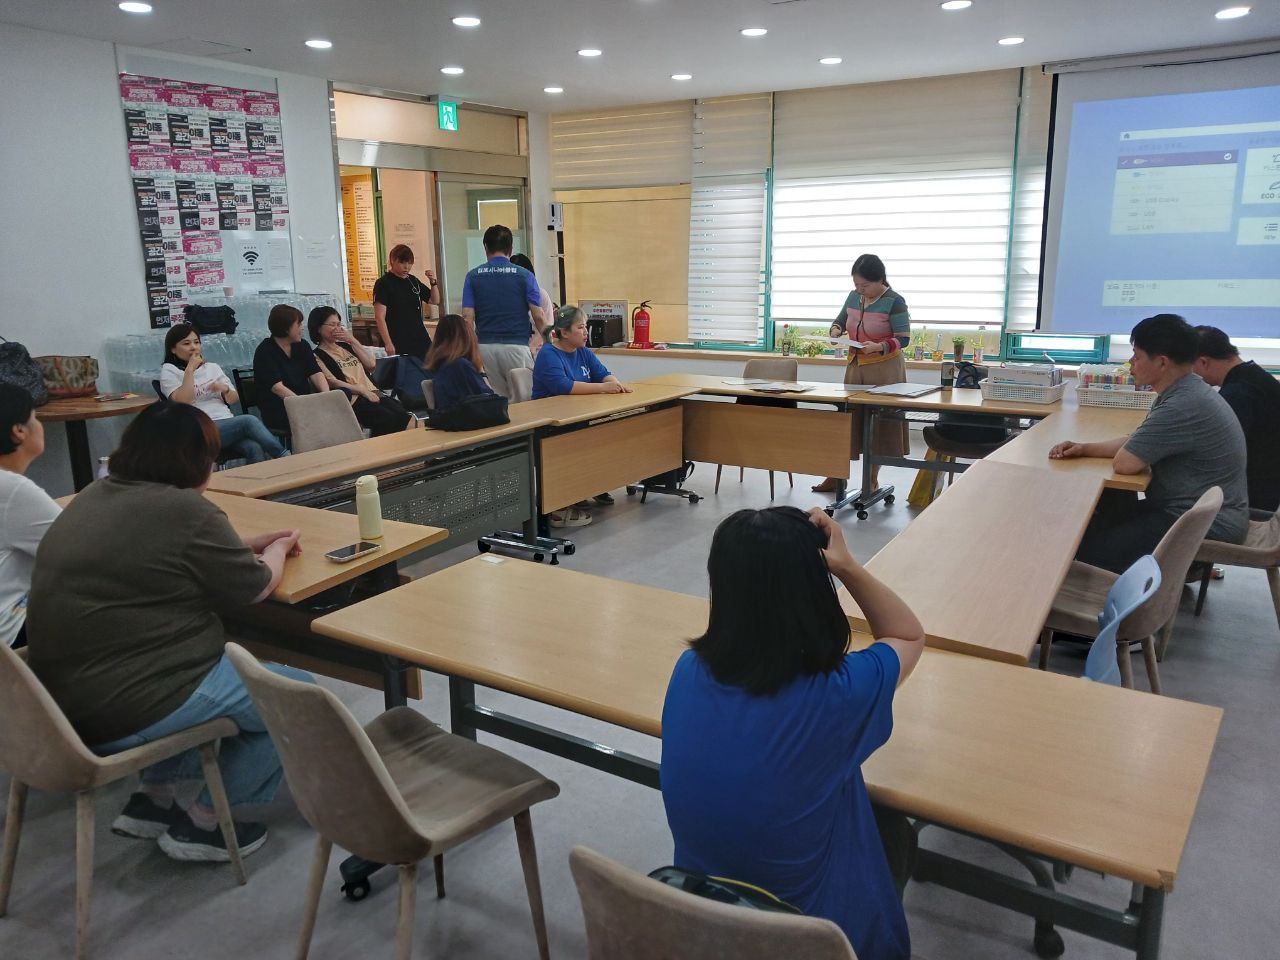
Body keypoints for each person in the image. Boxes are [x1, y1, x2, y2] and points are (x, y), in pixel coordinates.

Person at [26, 402, 311, 862]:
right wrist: (276, 548)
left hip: (57, 708)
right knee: (293, 694)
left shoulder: (94, 496)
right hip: (126, 707)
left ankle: (153, 799)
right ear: (196, 461)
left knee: (179, 669)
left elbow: (150, 548)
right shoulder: (185, 509)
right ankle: (209, 825)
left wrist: (242, 545)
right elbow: (256, 587)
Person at [662, 506, 925, 960]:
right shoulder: (837, 693)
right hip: (805, 940)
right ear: (812, 592)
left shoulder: (688, 670)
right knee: (894, 830)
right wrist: (846, 566)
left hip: (703, 919)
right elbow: (907, 635)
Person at [1050, 314, 1249, 573]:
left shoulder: (1182, 404)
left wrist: (1119, 451)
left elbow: (1126, 463)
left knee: (1084, 549)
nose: (1131, 364)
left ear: (1162, 362)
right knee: (1099, 515)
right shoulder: (1185, 390)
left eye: (1137, 356)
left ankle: (1142, 584)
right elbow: (1137, 441)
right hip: (1192, 510)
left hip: (1201, 522)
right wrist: (1084, 448)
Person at [813, 255, 912, 494]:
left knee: (879, 425)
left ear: (880, 280)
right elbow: (840, 320)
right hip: (856, 365)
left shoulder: (894, 302)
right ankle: (836, 476)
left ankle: (872, 479)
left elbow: (904, 339)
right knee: (847, 420)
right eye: (857, 285)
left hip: (885, 370)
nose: (860, 290)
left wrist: (878, 346)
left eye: (865, 285)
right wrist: (835, 329)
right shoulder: (854, 296)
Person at [159, 323, 288, 463]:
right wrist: (190, 370)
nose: (193, 347)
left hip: (226, 424)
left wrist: (225, 389)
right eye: (186, 343)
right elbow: (183, 401)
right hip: (196, 429)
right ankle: (284, 456)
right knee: (248, 421)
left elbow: (234, 399)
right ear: (172, 349)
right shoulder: (169, 371)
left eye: (196, 342)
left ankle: (260, 484)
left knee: (253, 447)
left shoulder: (212, 368)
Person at [1193, 325, 1280, 513]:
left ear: (1203, 362)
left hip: (1254, 497)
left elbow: (1216, 453)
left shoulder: (1237, 394)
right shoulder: (1253, 375)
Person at [0, 384, 59, 649]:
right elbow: (80, 548)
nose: (39, 424)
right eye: (35, 417)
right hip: (10, 639)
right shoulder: (11, 489)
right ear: (19, 431)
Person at [462, 225, 545, 398]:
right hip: (517, 347)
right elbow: (538, 316)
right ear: (511, 248)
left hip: (484, 349)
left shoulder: (473, 276)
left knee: (497, 403)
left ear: (485, 247)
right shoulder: (525, 275)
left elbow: (467, 317)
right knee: (525, 403)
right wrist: (551, 343)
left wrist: (471, 349)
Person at [308, 306, 415, 436]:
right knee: (389, 419)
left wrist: (352, 340)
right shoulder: (316, 355)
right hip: (355, 399)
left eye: (339, 324)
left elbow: (371, 364)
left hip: (374, 392)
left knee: (402, 413)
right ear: (318, 327)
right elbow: (332, 382)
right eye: (332, 324)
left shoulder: (347, 346)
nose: (337, 328)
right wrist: (361, 390)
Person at [252, 304, 329, 436]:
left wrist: (327, 396)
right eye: (298, 324)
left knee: (334, 408)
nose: (302, 328)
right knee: (320, 420)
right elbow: (277, 388)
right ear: (286, 328)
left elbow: (315, 373)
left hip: (305, 402)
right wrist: (305, 405)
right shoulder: (265, 351)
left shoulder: (302, 346)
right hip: (280, 408)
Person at [373, 244, 439, 362]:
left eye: (409, 263)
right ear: (393, 260)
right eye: (402, 263)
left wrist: (433, 283)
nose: (406, 267)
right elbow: (379, 317)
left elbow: (434, 300)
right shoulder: (383, 283)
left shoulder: (412, 280)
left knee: (428, 370)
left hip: (419, 338)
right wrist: (388, 343)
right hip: (397, 338)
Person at [425, 313, 496, 411]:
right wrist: (481, 370)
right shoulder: (461, 365)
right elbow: (491, 399)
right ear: (466, 336)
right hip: (468, 421)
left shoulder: (441, 364)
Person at [509, 252, 554, 355]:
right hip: (512, 350)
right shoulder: (507, 296)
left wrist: (532, 346)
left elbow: (547, 325)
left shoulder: (540, 294)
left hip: (537, 350)